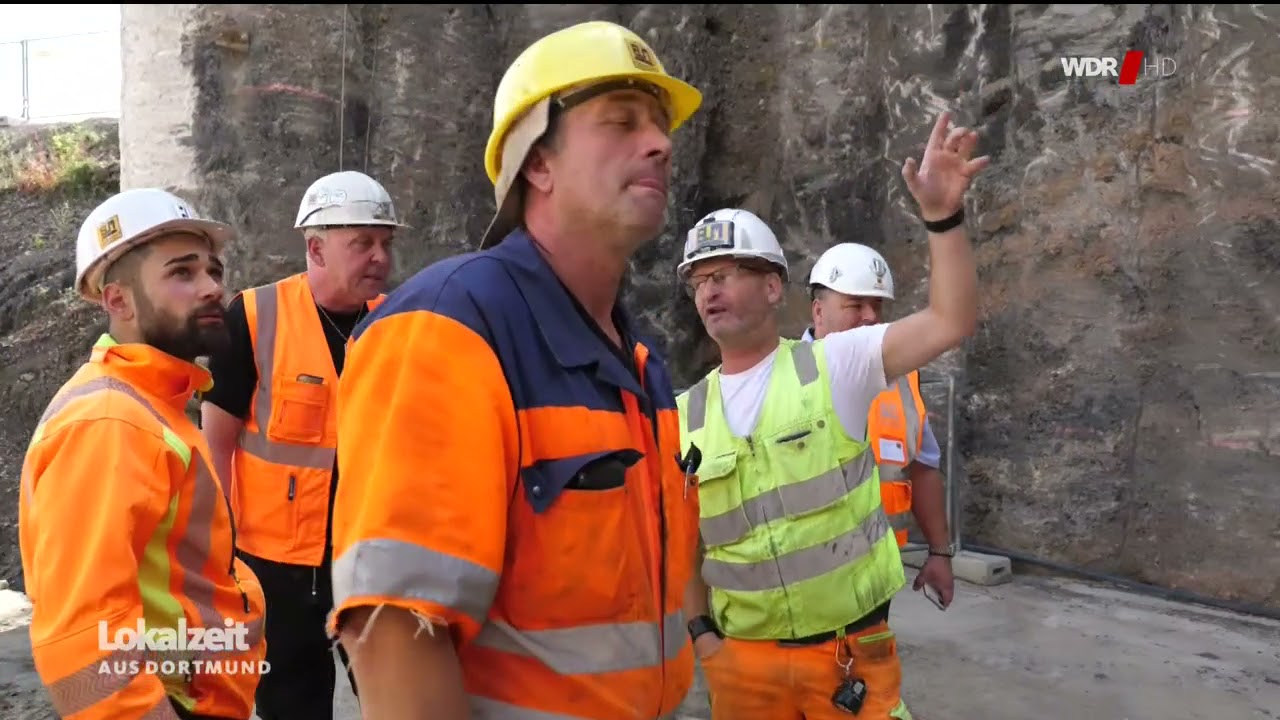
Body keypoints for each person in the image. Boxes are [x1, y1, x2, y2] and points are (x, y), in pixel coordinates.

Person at [324, 20, 705, 720]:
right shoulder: (446, 329)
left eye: (660, 126)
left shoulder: (640, 363)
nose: (660, 143)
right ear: (537, 164)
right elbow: (395, 632)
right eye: (622, 121)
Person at [675, 111, 987, 720]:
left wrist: (942, 218)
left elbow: (950, 320)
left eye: (727, 273)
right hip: (742, 668)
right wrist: (702, 636)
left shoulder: (835, 366)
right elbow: (686, 545)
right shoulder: (686, 414)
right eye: (700, 280)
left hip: (847, 658)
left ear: (774, 288)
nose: (710, 290)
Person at [19, 188, 268, 720]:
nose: (212, 287)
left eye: (213, 270)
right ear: (118, 302)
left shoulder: (155, 406)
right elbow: (87, 635)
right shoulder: (109, 422)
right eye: (182, 273)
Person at [199, 169, 406, 720]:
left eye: (386, 242)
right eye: (362, 242)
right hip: (276, 570)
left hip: (372, 558)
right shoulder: (254, 316)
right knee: (292, 708)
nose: (380, 257)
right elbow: (215, 443)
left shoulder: (398, 323)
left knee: (401, 702)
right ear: (315, 248)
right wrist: (220, 551)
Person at [803, 242, 956, 608]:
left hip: (877, 577)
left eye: (877, 305)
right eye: (856, 305)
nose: (871, 317)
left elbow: (923, 468)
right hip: (801, 580)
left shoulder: (902, 381)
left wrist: (939, 552)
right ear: (819, 311)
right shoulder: (783, 377)